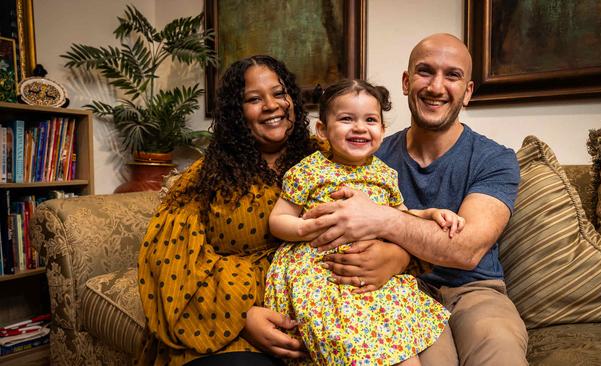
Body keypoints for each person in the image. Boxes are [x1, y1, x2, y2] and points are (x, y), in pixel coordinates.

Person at [300, 34, 529, 365]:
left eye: (452, 75)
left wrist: (382, 219)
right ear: (407, 82)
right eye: (425, 71)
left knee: (499, 351)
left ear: (467, 92)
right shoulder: (364, 155)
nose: (436, 87)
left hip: (473, 291)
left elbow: (466, 249)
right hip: (392, 290)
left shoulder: (494, 158)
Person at [137, 55, 318, 366]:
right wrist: (242, 318)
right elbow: (168, 261)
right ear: (237, 113)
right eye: (253, 99)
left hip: (318, 313)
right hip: (222, 326)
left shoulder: (328, 159)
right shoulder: (206, 175)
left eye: (278, 93)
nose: (271, 105)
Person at [265, 79, 461, 366]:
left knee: (402, 347)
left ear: (381, 130)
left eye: (370, 120)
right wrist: (302, 228)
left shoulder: (384, 174)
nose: (359, 127)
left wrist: (429, 214)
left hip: (372, 276)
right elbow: (278, 219)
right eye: (346, 119)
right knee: (347, 342)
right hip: (323, 274)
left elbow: (400, 216)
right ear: (323, 130)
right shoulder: (308, 171)